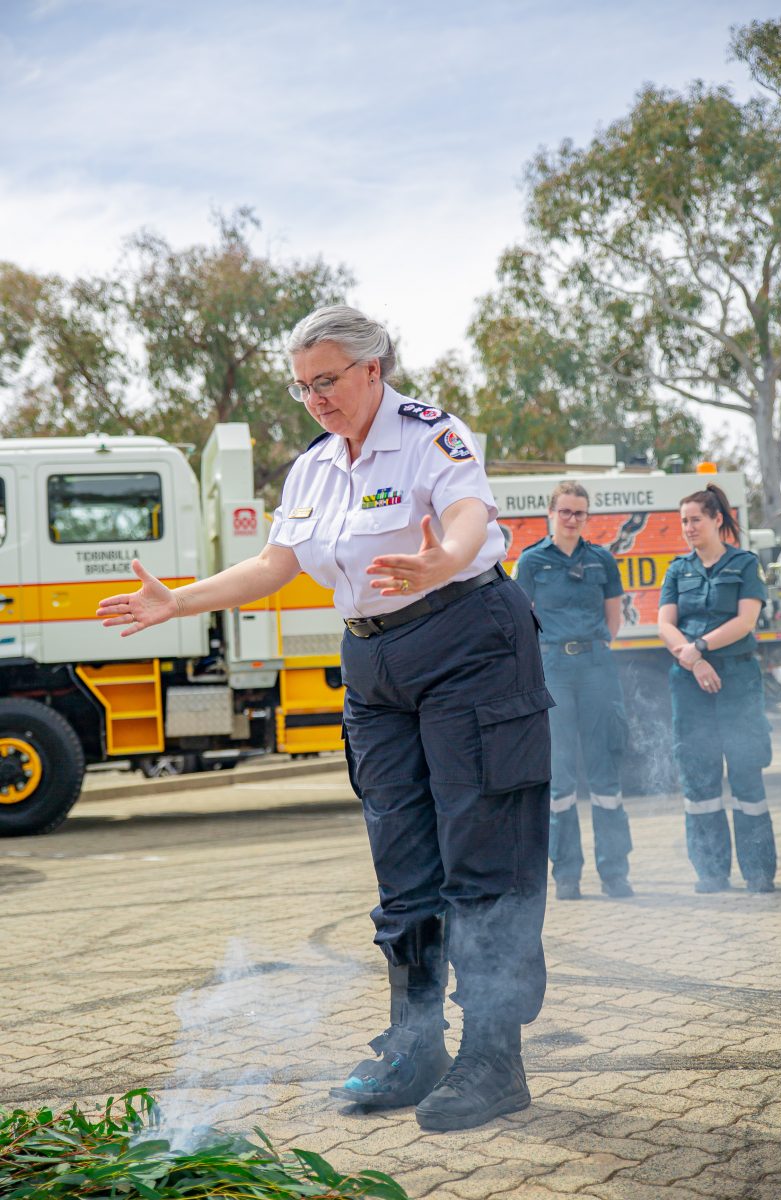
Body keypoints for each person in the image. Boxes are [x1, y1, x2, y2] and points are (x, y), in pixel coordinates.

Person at [97, 304, 553, 1133]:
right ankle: (416, 1046)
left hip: (467, 642)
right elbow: (276, 563)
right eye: (302, 386)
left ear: (372, 369)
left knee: (484, 850)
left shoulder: (430, 434)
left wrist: (441, 558)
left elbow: (467, 516)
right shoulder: (313, 468)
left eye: (328, 380)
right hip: (374, 663)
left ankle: (496, 1057)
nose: (314, 398)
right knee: (403, 862)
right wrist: (177, 603)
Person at [514, 482, 633, 901]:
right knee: (560, 776)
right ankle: (566, 874)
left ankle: (615, 872)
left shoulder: (602, 560)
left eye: (579, 513)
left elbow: (613, 618)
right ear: (551, 513)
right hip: (553, 670)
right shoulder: (530, 562)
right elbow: (521, 621)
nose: (572, 519)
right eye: (565, 511)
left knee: (605, 773)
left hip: (597, 668)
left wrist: (594, 649)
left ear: (587, 518)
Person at [657, 483, 777, 895]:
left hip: (738, 681)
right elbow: (665, 624)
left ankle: (759, 873)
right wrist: (695, 659)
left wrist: (701, 647)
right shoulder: (678, 569)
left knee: (746, 777)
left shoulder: (744, 565)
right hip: (690, 681)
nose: (688, 528)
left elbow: (746, 621)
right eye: (684, 521)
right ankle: (711, 873)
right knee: (699, 779)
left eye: (695, 520)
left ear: (717, 520)